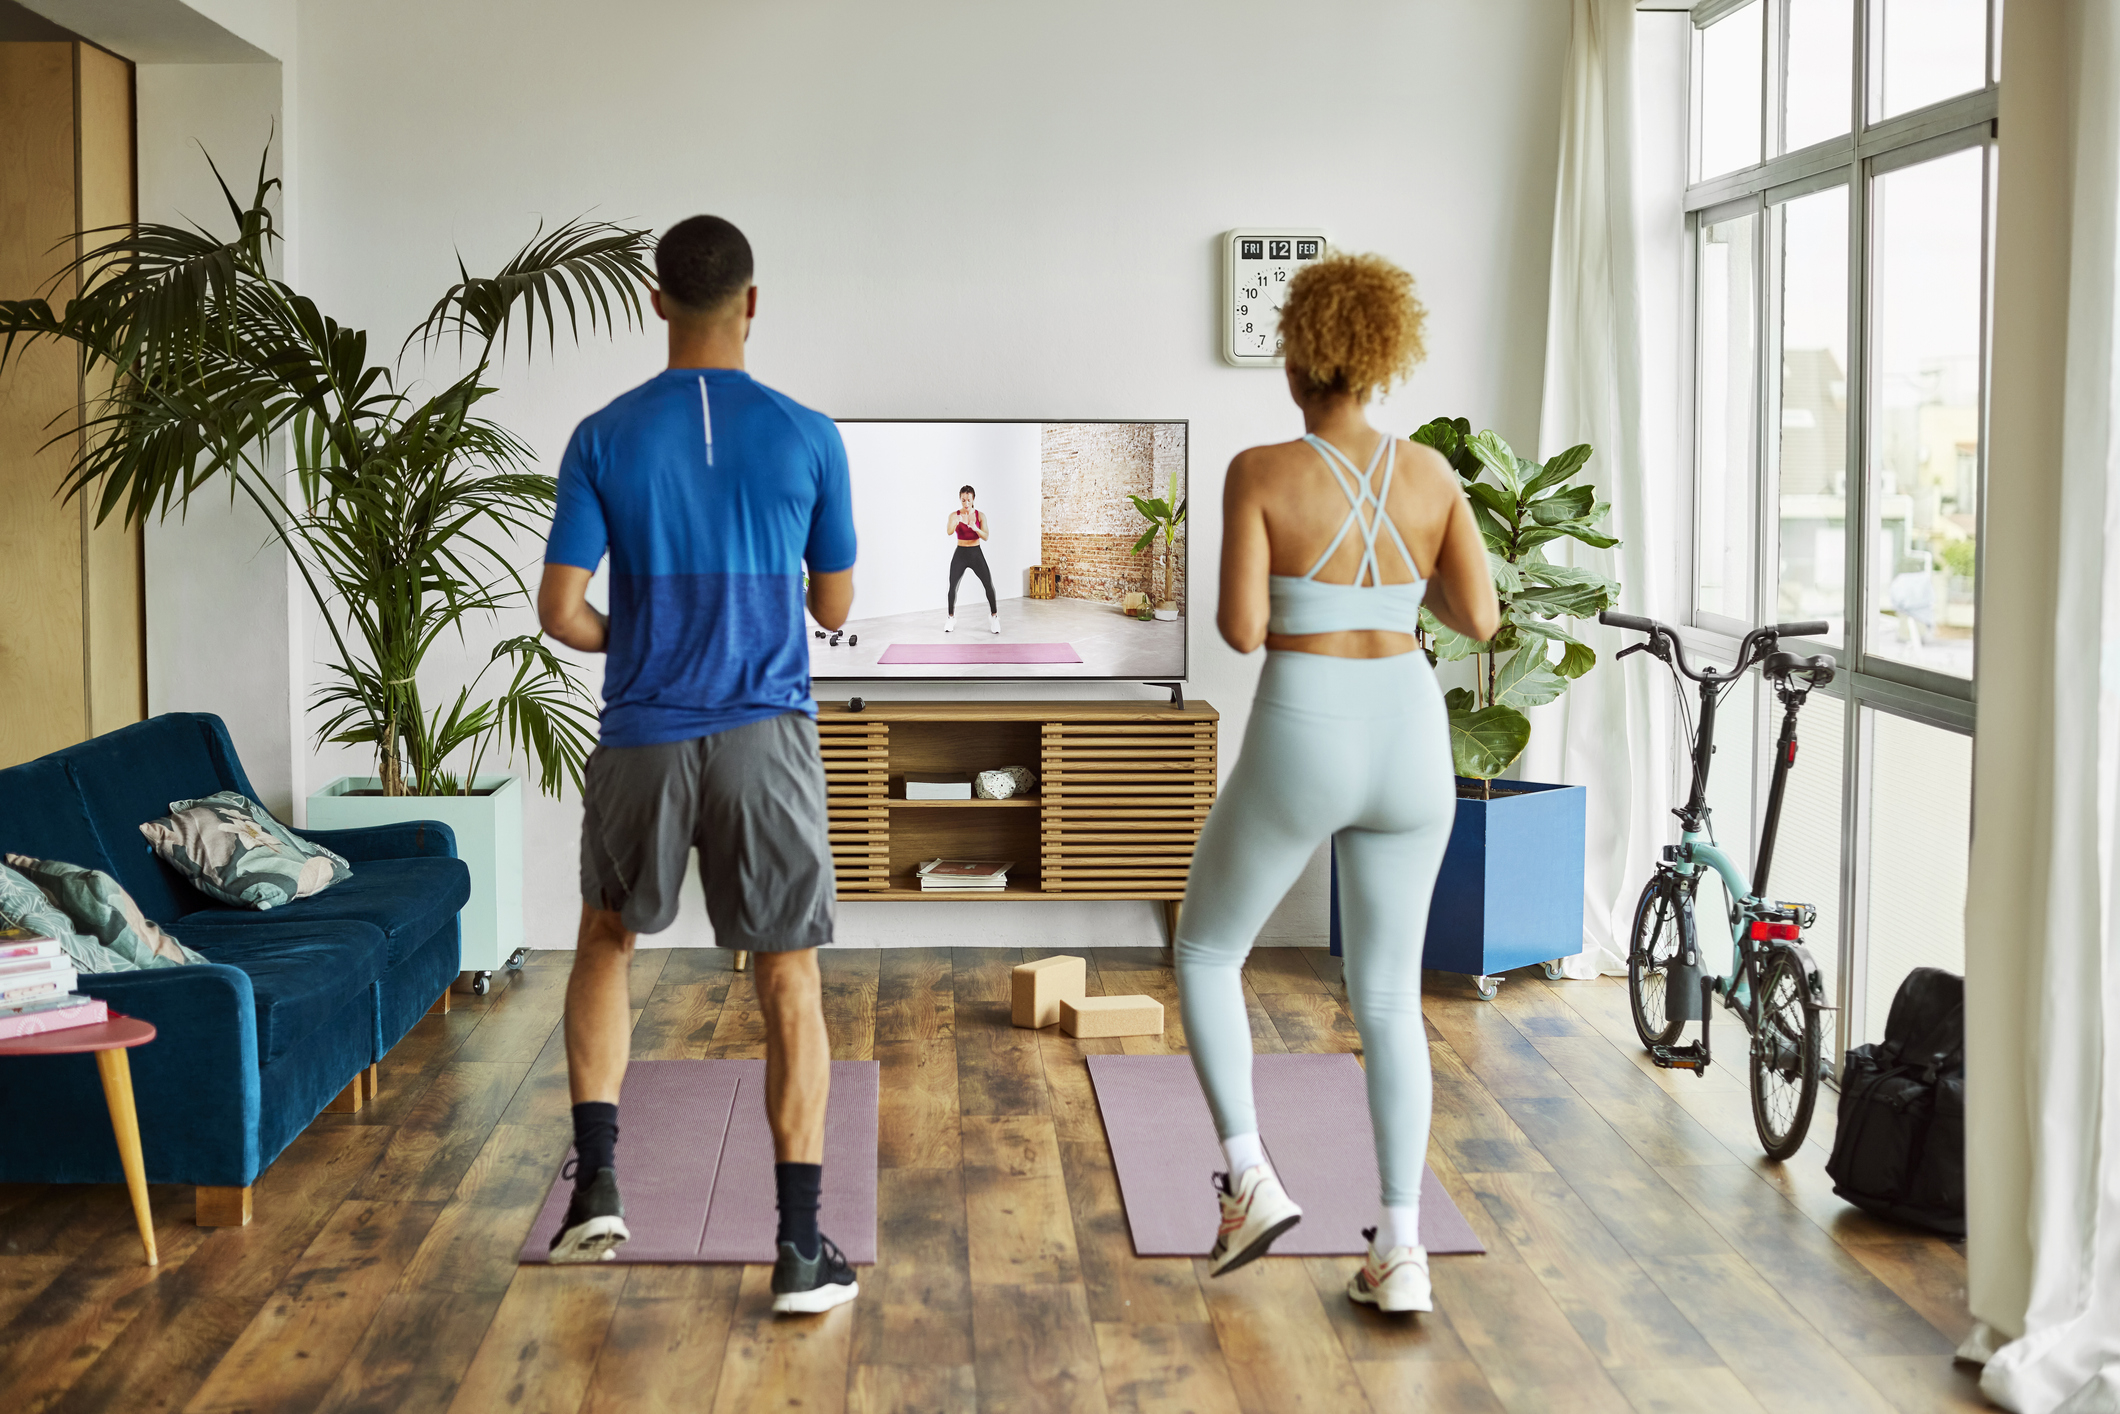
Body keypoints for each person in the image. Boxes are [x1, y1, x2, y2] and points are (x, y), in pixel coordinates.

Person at [537, 214, 862, 1315]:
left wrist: (636, 637)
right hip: (765, 736)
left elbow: (560, 611)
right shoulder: (809, 434)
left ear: (655, 300)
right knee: (787, 978)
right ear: (753, 302)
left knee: (606, 940)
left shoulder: (602, 434)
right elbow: (831, 605)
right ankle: (800, 1250)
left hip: (642, 733)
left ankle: (597, 1194)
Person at [1172, 253, 1500, 1313]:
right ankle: (1398, 1248)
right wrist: (1392, 591)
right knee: (1388, 997)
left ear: (1298, 355)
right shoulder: (1432, 476)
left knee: (1207, 946)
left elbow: (1241, 628)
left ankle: (1248, 1177)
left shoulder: (1261, 470)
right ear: (1382, 353)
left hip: (1304, 724)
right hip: (1407, 729)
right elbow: (1479, 619)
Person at [943, 484, 999, 633]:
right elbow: (949, 532)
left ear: (973, 499)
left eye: (968, 500)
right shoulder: (954, 515)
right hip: (960, 553)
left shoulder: (980, 516)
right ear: (960, 500)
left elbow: (986, 536)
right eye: (963, 500)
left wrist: (976, 529)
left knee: (988, 584)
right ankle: (950, 618)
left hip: (976, 553)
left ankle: (994, 617)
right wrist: (954, 523)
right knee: (952, 586)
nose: (966, 504)